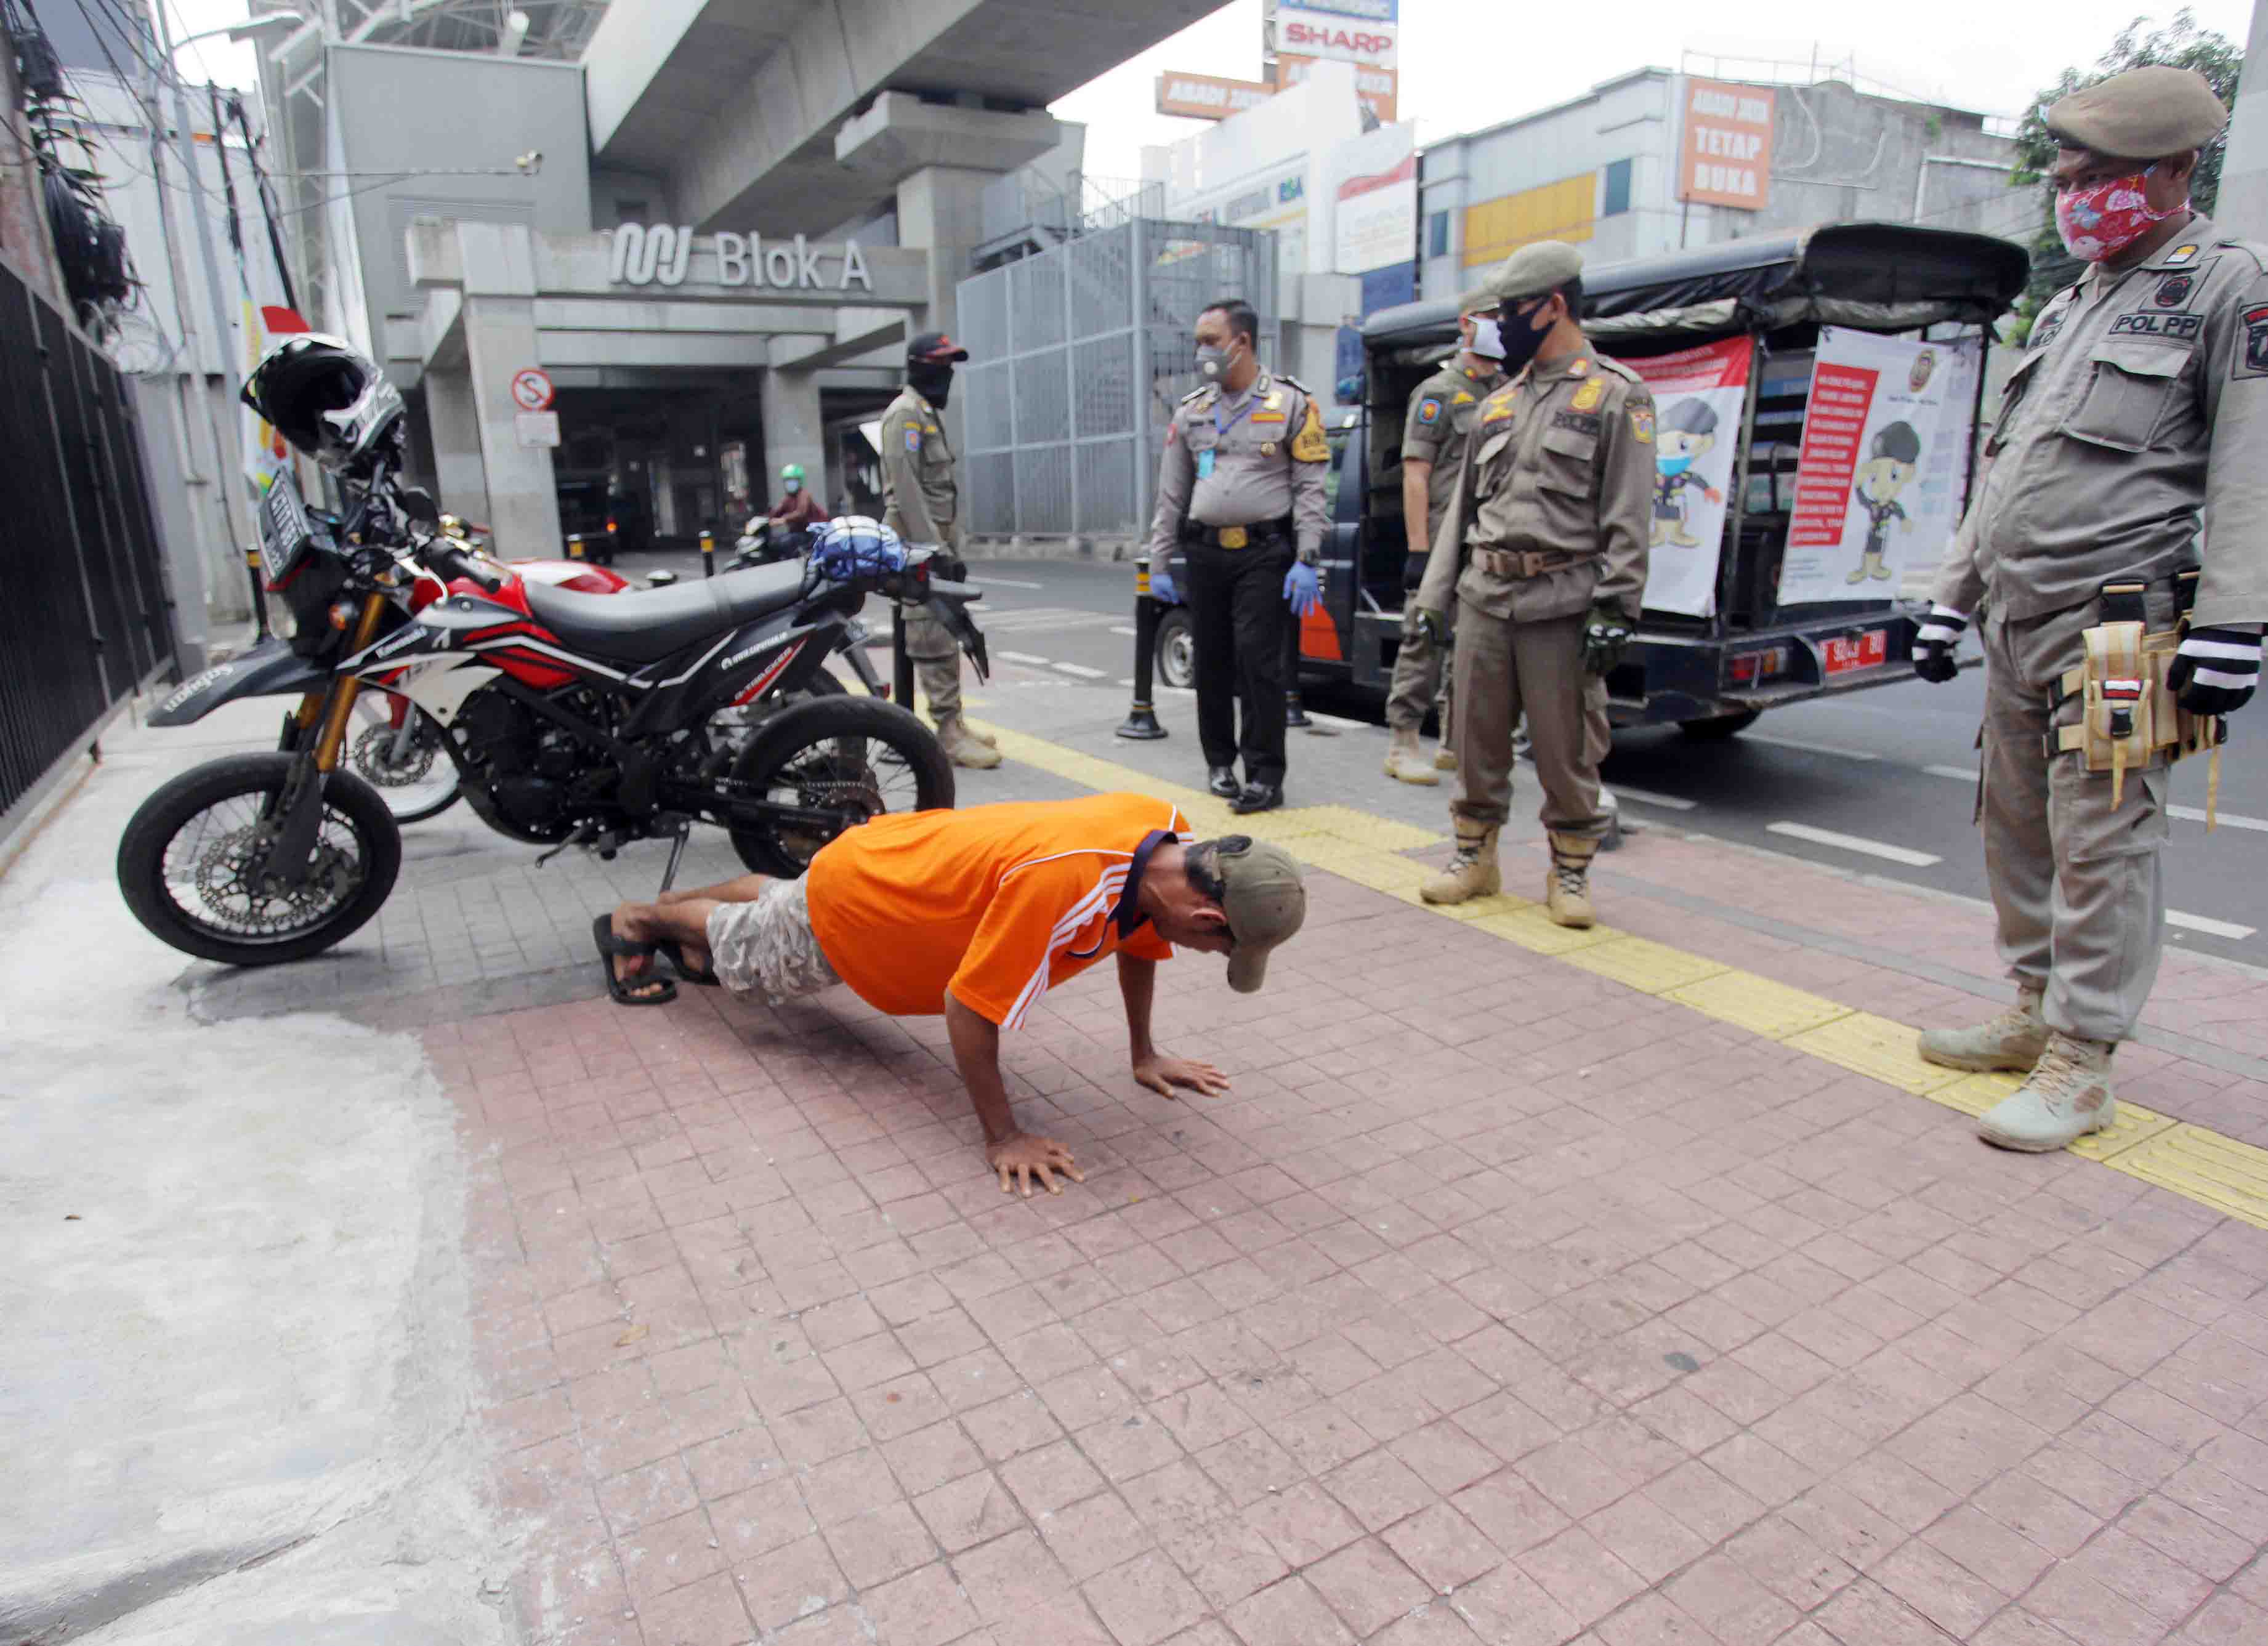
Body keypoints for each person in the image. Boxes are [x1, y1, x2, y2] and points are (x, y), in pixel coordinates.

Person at [1911, 65, 2264, 1152]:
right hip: (2017, 616)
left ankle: (2081, 1060)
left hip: (2123, 621)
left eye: (2092, 175)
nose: (2070, 194)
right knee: (2015, 826)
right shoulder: (2073, 300)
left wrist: (2233, 620)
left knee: (2103, 837)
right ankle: (2031, 1007)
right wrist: (1949, 598)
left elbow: (2251, 462)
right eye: (2064, 176)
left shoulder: (2226, 286)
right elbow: (2008, 467)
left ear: (2173, 169)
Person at [594, 796, 1309, 1195]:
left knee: (785, 907)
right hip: (866, 903)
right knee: (756, 957)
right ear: (1205, 917)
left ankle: (680, 906)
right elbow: (966, 1007)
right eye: (1220, 949)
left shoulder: (1166, 835)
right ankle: (640, 920)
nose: (1209, 956)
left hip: (896, 858)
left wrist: (1143, 1053)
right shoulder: (1061, 884)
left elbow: (1137, 940)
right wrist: (1004, 1137)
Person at [1410, 241, 1653, 927]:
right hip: (1484, 598)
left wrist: (1617, 606)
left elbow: (1629, 510)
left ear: (1552, 306)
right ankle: (1473, 857)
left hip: (1560, 603)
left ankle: (1569, 871)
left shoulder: (1616, 395)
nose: (1499, 326)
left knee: (1565, 749)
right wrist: (1432, 597)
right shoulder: (1498, 402)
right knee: (1474, 741)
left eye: (1510, 311)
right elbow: (1461, 513)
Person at [1144, 299, 1331, 815]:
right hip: (1204, 553)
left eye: (1210, 340)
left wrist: (1307, 557)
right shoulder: (1191, 411)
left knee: (1257, 660)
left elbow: (1310, 488)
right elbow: (1171, 495)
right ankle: (1219, 762)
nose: (1200, 351)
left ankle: (1265, 774)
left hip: (1264, 553)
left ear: (1241, 342)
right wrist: (1158, 561)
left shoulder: (1292, 404)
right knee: (1211, 659)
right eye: (1198, 342)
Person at [1383, 299, 1508, 785]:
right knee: (1424, 636)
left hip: (1489, 535)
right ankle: (1403, 742)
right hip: (1441, 538)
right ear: (1466, 325)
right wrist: (1418, 550)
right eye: (1489, 318)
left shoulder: (1508, 391)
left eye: (1503, 318)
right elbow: (1416, 473)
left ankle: (1454, 742)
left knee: (1474, 643)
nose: (1498, 327)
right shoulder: (1437, 392)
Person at [880, 333, 1000, 770]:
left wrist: (948, 548)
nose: (947, 375)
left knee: (948, 630)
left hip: (933, 544)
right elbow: (907, 491)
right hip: (919, 547)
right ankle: (947, 733)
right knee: (930, 635)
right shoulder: (905, 415)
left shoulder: (925, 414)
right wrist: (933, 550)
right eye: (941, 366)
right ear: (919, 366)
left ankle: (955, 722)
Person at [1846, 421, 1919, 584]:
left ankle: (1876, 568)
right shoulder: (1873, 506)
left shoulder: (1891, 506)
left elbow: (1899, 511)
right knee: (1870, 549)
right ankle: (1864, 569)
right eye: (1874, 477)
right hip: (1873, 533)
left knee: (1879, 550)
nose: (1882, 486)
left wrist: (1904, 520)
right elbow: (1862, 500)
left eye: (1893, 476)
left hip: (1882, 534)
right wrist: (1858, 486)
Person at [766, 462, 827, 533]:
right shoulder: (788, 499)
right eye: (787, 480)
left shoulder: (804, 495)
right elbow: (777, 512)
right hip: (797, 533)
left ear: (800, 481)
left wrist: (784, 519)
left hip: (812, 533)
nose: (790, 483)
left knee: (786, 539)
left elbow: (801, 513)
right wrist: (766, 518)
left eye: (793, 480)